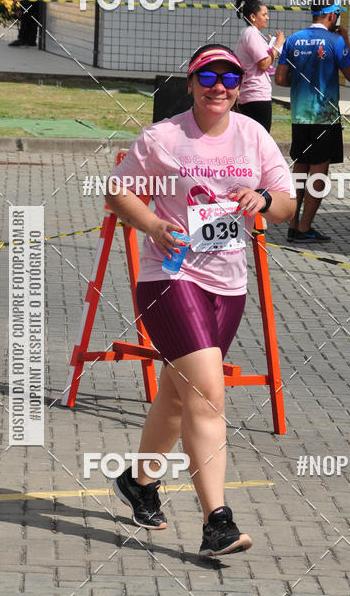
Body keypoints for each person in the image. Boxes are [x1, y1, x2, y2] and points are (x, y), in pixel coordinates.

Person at [105, 44, 295, 558]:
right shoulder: (163, 138)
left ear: (240, 86)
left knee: (175, 395)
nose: (219, 86)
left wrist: (265, 199)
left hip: (228, 287)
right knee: (208, 393)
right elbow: (118, 191)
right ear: (190, 83)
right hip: (168, 280)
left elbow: (287, 203)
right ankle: (217, 522)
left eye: (230, 78)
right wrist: (152, 224)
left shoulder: (253, 135)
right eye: (207, 76)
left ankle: (139, 483)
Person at [275, 1, 350, 243]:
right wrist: (346, 39)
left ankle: (292, 225)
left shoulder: (293, 40)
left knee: (300, 171)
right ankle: (304, 228)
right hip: (325, 118)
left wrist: (304, 83)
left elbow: (280, 79)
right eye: (337, 15)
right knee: (318, 175)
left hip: (299, 116)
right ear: (332, 16)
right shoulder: (336, 41)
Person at [235, 0, 285, 132]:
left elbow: (261, 59)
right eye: (264, 14)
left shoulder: (252, 34)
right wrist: (277, 46)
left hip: (252, 95)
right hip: (255, 96)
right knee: (260, 139)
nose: (267, 18)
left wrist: (272, 47)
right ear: (252, 17)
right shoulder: (251, 34)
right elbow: (263, 64)